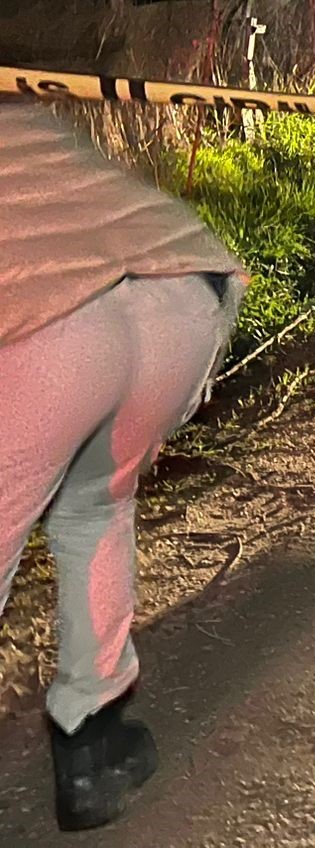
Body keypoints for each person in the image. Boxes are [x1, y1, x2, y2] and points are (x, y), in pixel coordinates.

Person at [0, 104, 248, 831]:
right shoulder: (18, 106)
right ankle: (93, 747)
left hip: (50, 324)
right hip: (182, 290)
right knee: (94, 507)